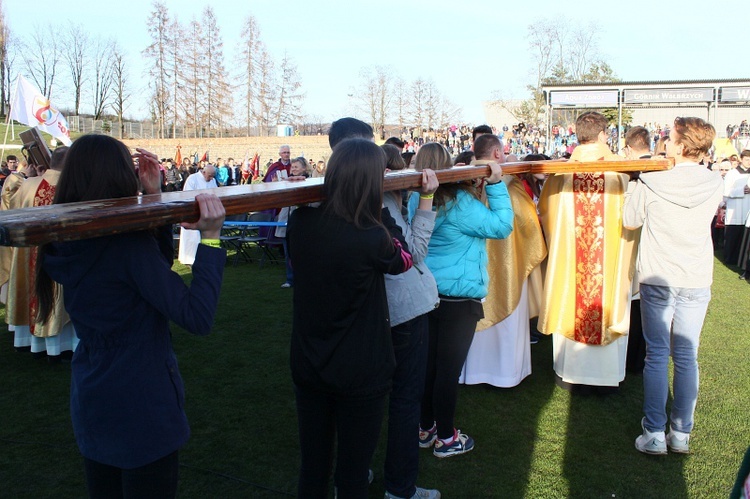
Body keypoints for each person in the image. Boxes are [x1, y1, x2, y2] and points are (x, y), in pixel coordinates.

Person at [34, 134, 226, 496]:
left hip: (93, 396)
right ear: (120, 176)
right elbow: (197, 316)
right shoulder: (124, 247)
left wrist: (153, 201)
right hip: (142, 405)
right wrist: (212, 239)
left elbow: (150, 269)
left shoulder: (66, 239)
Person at [287, 138, 413, 498]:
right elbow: (403, 260)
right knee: (353, 473)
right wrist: (381, 211)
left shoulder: (302, 223)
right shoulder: (372, 235)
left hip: (309, 362)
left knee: (313, 468)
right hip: (361, 369)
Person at [624, 117, 723, 455]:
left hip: (660, 276)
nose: (665, 141)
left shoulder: (653, 181)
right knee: (685, 356)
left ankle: (655, 432)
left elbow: (630, 219)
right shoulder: (715, 181)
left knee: (659, 356)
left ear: (681, 145)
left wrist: (638, 181)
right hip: (694, 276)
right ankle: (680, 433)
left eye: (670, 137)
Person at [416, 141, 514, 458]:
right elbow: (502, 226)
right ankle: (446, 438)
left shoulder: (419, 199)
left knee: (429, 367)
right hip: (458, 300)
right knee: (447, 372)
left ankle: (425, 426)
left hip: (428, 294)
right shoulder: (459, 203)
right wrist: (497, 186)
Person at [538, 111, 636, 393]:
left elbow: (546, 212)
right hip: (610, 258)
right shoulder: (620, 169)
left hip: (572, 260)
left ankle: (569, 373)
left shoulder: (561, 173)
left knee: (570, 294)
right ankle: (606, 378)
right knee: (609, 295)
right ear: (604, 135)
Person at [459, 136, 546, 388]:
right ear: (497, 153)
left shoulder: (463, 178)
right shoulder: (508, 181)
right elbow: (528, 225)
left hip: (470, 269)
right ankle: (503, 374)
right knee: (506, 319)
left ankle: (472, 372)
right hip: (507, 265)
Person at [380, 143, 441, 499]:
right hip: (403, 310)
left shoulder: (342, 199)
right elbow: (414, 253)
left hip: (372, 314)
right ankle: (400, 489)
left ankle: (353, 475)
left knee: (368, 400)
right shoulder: (381, 203)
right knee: (404, 400)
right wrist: (427, 201)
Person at [7, 146, 77, 360]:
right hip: (58, 254)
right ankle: (61, 346)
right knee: (57, 295)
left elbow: (10, 208)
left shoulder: (27, 185)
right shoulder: (71, 187)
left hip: (29, 251)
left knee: (33, 289)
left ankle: (28, 343)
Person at [178, 165, 217, 266]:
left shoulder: (212, 181)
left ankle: (207, 258)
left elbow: (215, 192)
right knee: (193, 237)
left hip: (207, 213)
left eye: (213, 176)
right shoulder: (192, 179)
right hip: (194, 213)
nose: (211, 178)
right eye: (210, 176)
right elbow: (188, 195)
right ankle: (190, 259)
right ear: (204, 172)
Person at [723, 149, 750, 267]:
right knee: (732, 237)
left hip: (747, 210)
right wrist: (741, 191)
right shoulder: (732, 173)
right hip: (735, 209)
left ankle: (741, 260)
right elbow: (725, 191)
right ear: (741, 159)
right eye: (747, 159)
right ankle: (729, 258)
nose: (749, 162)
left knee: (743, 239)